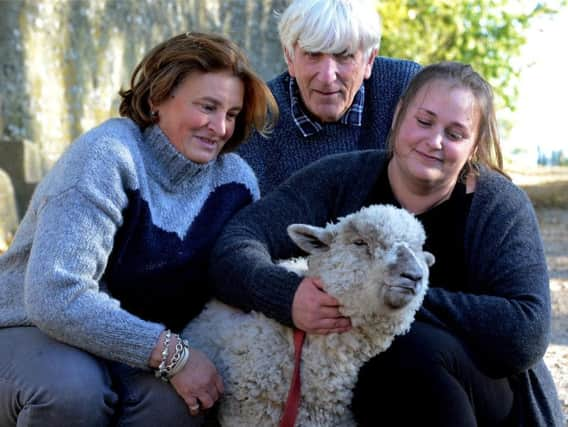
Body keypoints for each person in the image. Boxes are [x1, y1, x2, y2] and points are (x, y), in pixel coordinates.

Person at [210, 62, 564, 426]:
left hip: (483, 399)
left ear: (474, 146)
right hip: (368, 397)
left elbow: (526, 331)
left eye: (455, 134)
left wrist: (384, 296)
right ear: (398, 116)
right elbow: (236, 244)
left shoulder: (497, 206)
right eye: (423, 122)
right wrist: (286, 295)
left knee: (410, 352)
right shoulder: (342, 177)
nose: (434, 141)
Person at [0, 32, 277, 427]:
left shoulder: (235, 183)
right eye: (207, 107)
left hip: (127, 347)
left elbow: (237, 279)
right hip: (28, 328)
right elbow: (55, 296)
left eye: (231, 114)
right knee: (73, 392)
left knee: (182, 405)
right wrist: (172, 354)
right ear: (156, 99)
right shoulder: (107, 157)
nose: (219, 127)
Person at [238, 0, 422, 194]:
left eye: (344, 55)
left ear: (369, 60)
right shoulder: (257, 118)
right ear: (289, 57)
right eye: (313, 54)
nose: (327, 76)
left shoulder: (407, 90)